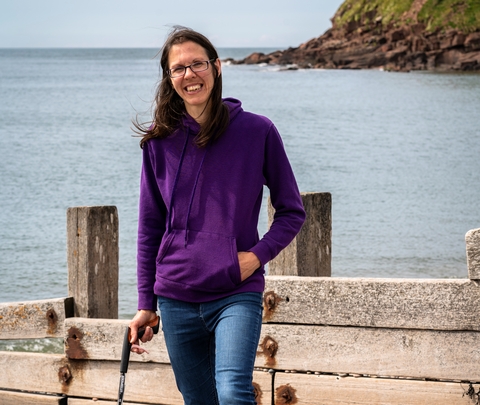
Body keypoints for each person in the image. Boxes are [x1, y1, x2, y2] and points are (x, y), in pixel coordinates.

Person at [128, 26, 305, 405]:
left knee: (232, 391)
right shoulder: (159, 143)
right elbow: (150, 228)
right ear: (170, 78)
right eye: (179, 69)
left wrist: (255, 256)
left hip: (235, 291)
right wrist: (147, 304)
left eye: (198, 64)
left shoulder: (257, 131)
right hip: (175, 295)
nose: (189, 75)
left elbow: (292, 211)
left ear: (217, 67)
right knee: (198, 399)